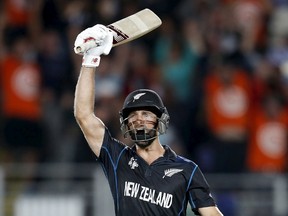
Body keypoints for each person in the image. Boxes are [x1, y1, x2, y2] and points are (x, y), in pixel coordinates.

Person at [73, 24, 223, 216]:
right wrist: (90, 60)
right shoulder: (118, 158)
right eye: (133, 115)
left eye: (146, 114)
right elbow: (83, 116)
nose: (139, 119)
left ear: (161, 120)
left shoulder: (186, 169)